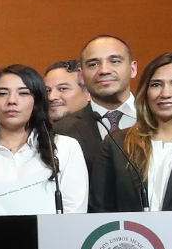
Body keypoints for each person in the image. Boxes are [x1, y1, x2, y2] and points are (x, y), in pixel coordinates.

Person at [0, 65, 90, 234]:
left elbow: (73, 211)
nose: (12, 100)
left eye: (23, 93)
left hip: (53, 245)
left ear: (37, 102)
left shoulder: (65, 147)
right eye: (2, 93)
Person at [106, 53, 172, 212]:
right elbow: (101, 210)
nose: (165, 94)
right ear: (145, 93)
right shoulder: (117, 144)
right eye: (156, 85)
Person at [55, 33, 140, 208]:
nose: (104, 70)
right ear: (81, 75)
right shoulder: (61, 131)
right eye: (93, 64)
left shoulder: (160, 122)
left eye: (114, 61)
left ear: (133, 69)